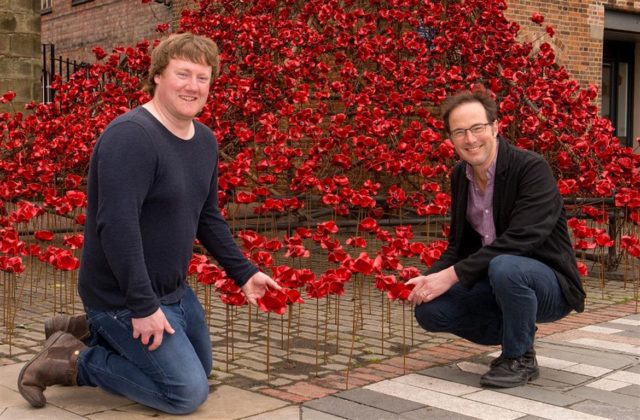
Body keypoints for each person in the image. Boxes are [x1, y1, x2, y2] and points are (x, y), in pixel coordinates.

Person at [18, 33, 280, 414]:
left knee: (200, 372)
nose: (192, 86)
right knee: (184, 394)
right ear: (158, 75)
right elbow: (117, 227)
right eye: (183, 74)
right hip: (122, 297)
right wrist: (141, 307)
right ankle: (72, 359)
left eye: (202, 78)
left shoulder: (204, 141)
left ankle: (87, 330)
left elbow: (207, 217)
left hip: (173, 291)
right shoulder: (131, 137)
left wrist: (244, 273)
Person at [407, 88, 586, 388]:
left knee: (506, 265)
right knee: (431, 311)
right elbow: (458, 245)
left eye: (477, 128)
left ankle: (519, 358)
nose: (470, 139)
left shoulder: (530, 168)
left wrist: (451, 276)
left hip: (548, 284)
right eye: (460, 132)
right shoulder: (459, 176)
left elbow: (521, 240)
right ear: (451, 139)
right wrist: (428, 280)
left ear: (495, 127)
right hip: (497, 282)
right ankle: (518, 330)